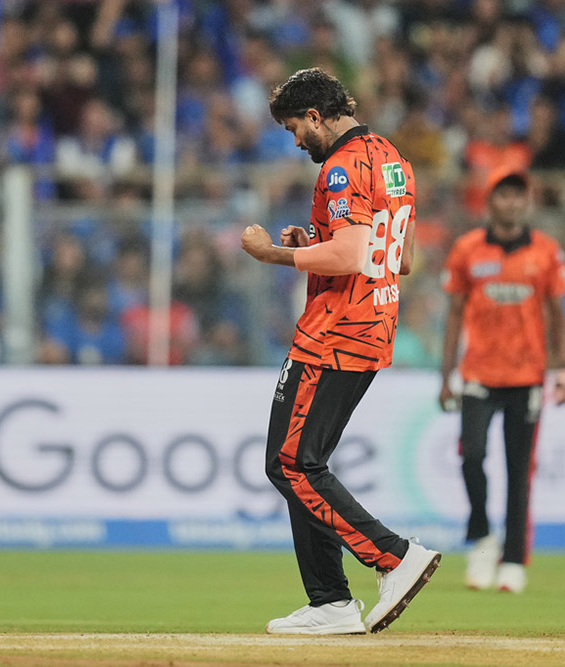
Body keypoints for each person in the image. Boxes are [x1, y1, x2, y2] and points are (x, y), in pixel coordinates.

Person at [240, 67, 440, 636]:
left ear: (315, 116)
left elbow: (351, 256)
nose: (295, 142)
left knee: (291, 463)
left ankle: (393, 557)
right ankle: (329, 601)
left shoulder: (341, 166)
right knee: (300, 463)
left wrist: (270, 254)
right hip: (372, 328)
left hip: (333, 332)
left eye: (295, 130)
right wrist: (314, 245)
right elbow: (396, 259)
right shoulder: (392, 160)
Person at [439, 168, 565, 594]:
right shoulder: (467, 250)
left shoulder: (546, 252)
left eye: (520, 195)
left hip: (527, 376)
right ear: (489, 201)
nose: (513, 202)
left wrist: (564, 368)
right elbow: (455, 314)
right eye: (505, 195)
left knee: (519, 472)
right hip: (479, 373)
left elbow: (558, 315)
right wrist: (445, 377)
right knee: (471, 457)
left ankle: (514, 560)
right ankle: (482, 539)